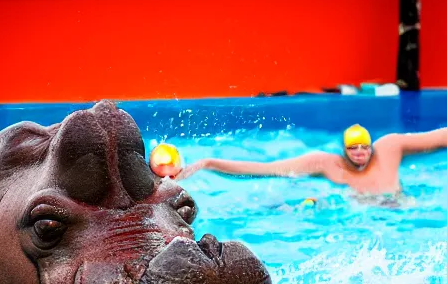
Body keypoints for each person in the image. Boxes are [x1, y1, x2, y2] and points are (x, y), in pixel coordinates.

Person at [176, 124, 447, 196]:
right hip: (360, 214)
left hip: (400, 208)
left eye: (365, 147)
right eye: (354, 149)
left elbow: (436, 137)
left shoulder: (390, 148)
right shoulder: (327, 164)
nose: (361, 153)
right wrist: (210, 163)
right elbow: (266, 170)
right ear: (344, 151)